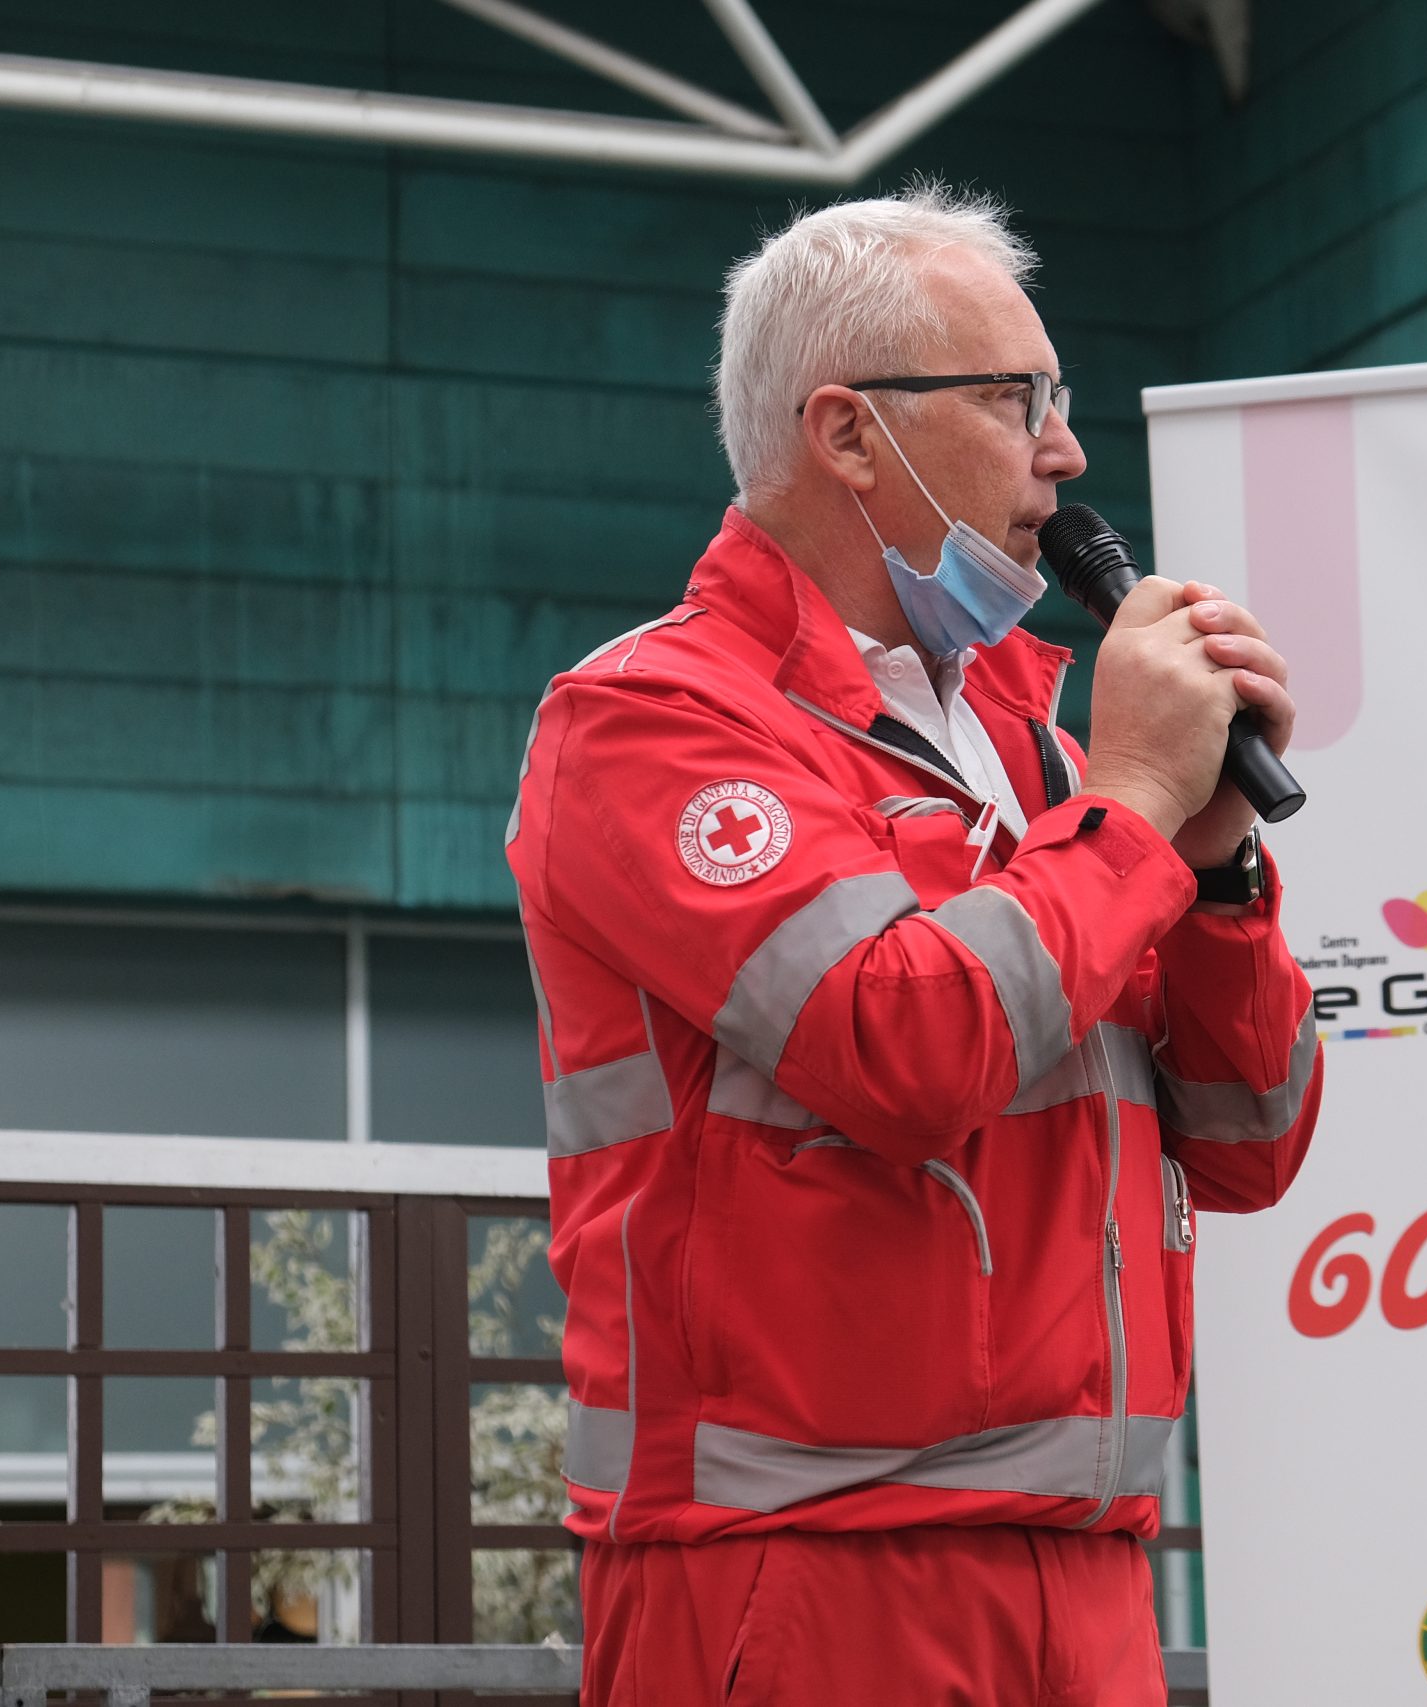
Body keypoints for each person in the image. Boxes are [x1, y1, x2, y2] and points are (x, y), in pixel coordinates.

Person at [505, 182, 1322, 1706]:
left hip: (1081, 1570)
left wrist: (1211, 872)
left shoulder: (1048, 750)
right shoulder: (650, 721)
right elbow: (898, 1046)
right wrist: (1139, 804)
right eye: (1022, 399)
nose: (1066, 454)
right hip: (795, 1570)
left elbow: (1250, 1143)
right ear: (849, 434)